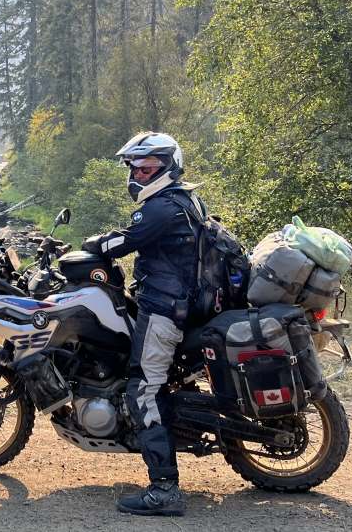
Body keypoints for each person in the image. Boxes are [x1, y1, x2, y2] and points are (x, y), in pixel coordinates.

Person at [81, 132, 206, 516]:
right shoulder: (181, 199)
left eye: (146, 167)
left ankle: (165, 488)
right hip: (178, 302)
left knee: (142, 390)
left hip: (166, 309)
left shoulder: (160, 209)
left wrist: (90, 246)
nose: (137, 174)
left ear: (167, 167)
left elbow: (119, 244)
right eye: (135, 167)